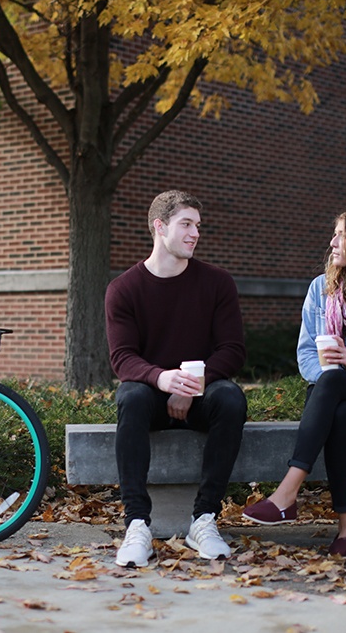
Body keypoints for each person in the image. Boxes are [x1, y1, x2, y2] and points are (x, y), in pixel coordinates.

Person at [242, 208, 346, 556]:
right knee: (339, 412)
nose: (332, 242)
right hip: (333, 395)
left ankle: (287, 492)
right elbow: (307, 357)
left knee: (336, 381)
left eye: (341, 235)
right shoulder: (321, 289)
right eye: (334, 234)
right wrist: (333, 379)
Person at [105, 190, 248, 567]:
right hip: (150, 394)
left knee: (231, 399)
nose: (195, 233)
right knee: (130, 397)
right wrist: (161, 379)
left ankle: (204, 519)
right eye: (186, 224)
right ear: (160, 226)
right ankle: (137, 525)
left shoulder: (217, 283)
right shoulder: (123, 289)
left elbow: (232, 350)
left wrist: (189, 383)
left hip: (203, 393)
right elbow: (122, 358)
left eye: (197, 225)